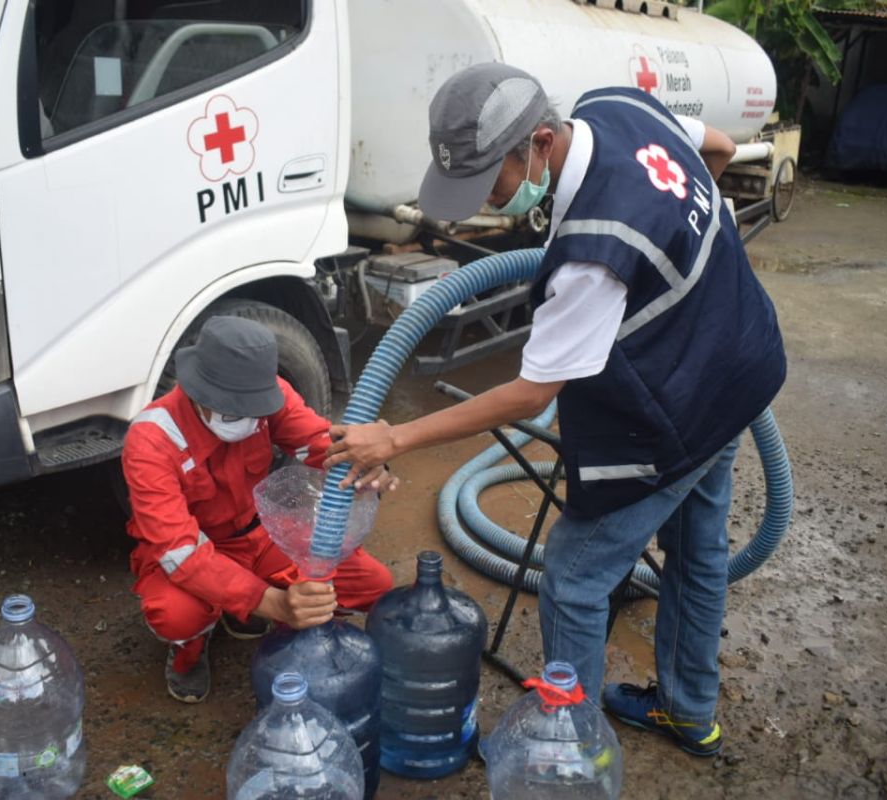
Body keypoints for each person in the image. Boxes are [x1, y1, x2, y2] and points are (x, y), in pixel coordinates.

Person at [325, 63, 786, 756]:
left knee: (573, 578)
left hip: (686, 406)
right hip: (740, 359)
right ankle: (690, 712)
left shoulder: (593, 257)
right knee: (697, 550)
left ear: (539, 142)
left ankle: (573, 755)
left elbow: (531, 392)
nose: (484, 199)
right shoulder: (619, 107)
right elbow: (716, 147)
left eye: (493, 182)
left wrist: (394, 436)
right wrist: (682, 261)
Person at [123, 316, 395, 703]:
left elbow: (319, 443)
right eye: (234, 412)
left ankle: (244, 612)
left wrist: (365, 464)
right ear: (197, 393)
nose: (249, 420)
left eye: (254, 411)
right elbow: (178, 550)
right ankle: (189, 654)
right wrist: (276, 604)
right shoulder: (150, 439)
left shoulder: (266, 394)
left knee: (373, 585)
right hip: (196, 552)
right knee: (177, 614)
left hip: (261, 535)